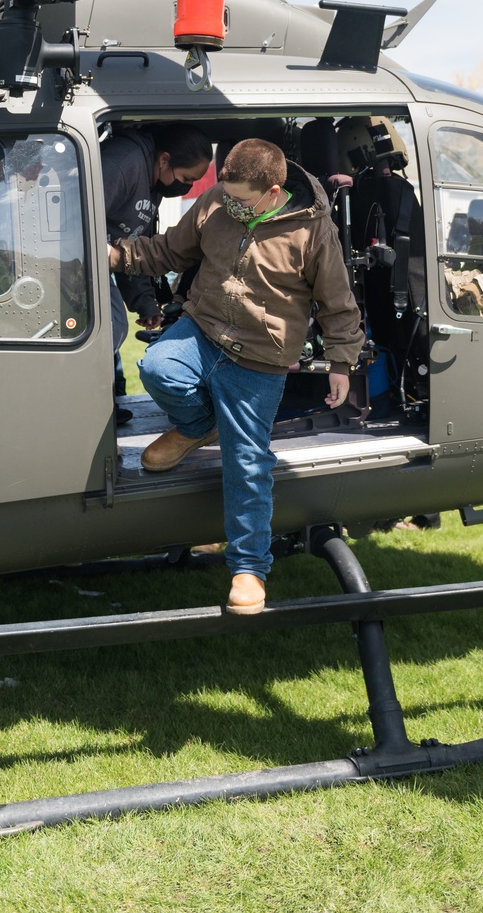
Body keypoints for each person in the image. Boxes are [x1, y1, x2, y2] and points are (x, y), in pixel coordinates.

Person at [109, 138, 364, 615]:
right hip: (202, 329)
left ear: (272, 192)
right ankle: (196, 425)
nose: (230, 206)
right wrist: (117, 256)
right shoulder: (217, 202)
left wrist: (341, 363)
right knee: (156, 368)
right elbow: (167, 250)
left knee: (247, 464)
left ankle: (248, 568)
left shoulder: (314, 232)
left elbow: (338, 304)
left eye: (241, 201)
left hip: (260, 357)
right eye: (224, 195)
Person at [101, 124, 213, 418]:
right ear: (164, 159)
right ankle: (93, 409)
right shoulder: (122, 163)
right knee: (110, 325)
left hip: (104, 259)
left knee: (113, 326)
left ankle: (109, 402)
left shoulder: (154, 182)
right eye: (186, 178)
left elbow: (133, 247)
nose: (186, 188)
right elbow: (74, 221)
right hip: (79, 258)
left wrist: (144, 301)